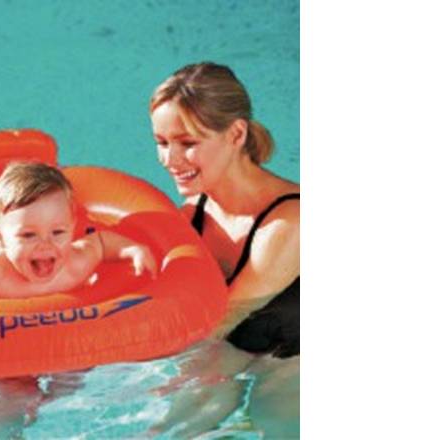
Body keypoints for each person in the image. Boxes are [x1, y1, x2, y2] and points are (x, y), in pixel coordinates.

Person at [147, 62, 299, 436]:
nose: (169, 160)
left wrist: (131, 366)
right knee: (168, 431)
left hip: (296, 358)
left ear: (235, 134)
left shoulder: (290, 222)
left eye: (187, 144)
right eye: (162, 143)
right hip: (237, 348)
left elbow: (222, 319)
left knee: (273, 419)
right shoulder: (194, 214)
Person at [0, 161, 158, 302]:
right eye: (28, 235)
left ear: (73, 228)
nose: (45, 245)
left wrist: (131, 249)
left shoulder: (77, 263)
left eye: (58, 232)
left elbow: (101, 243)